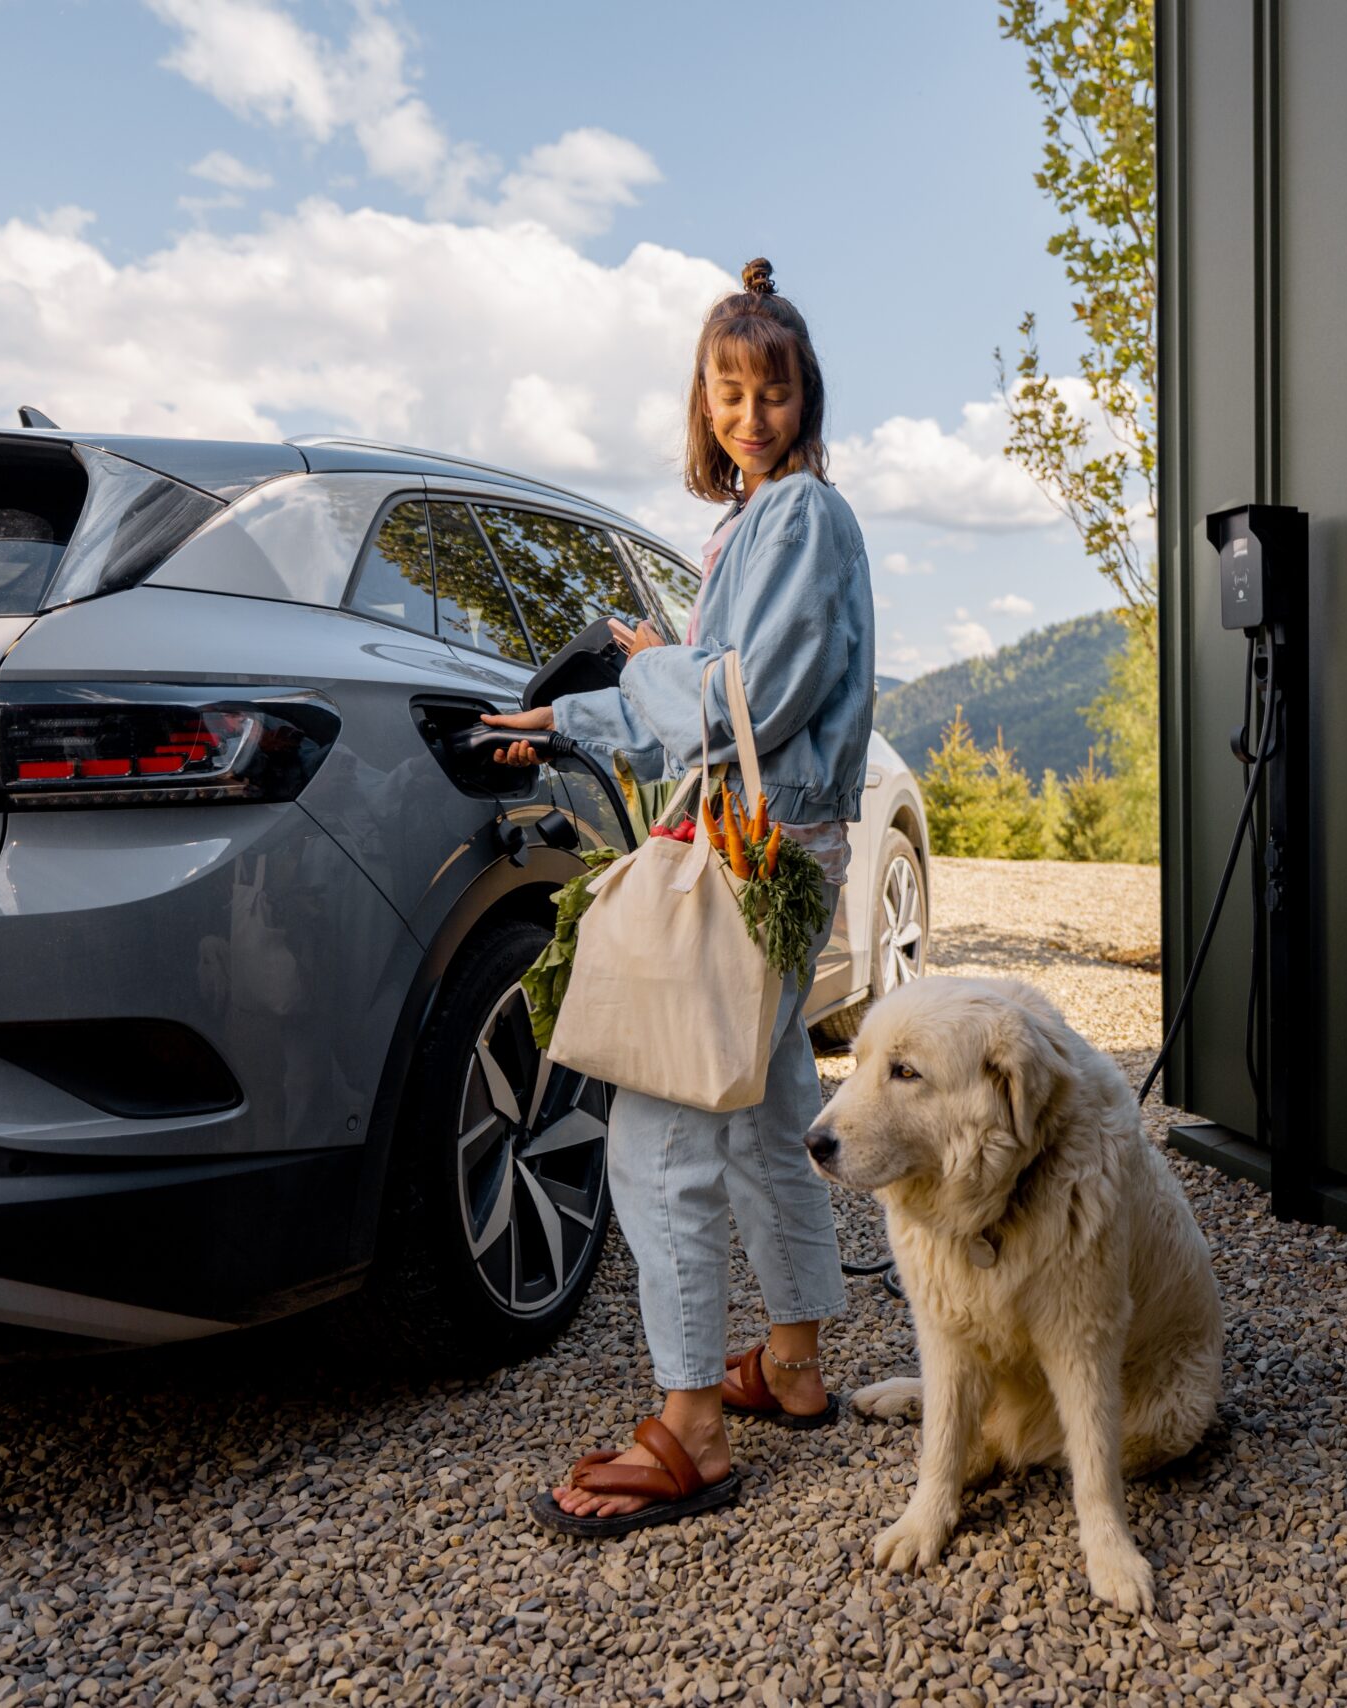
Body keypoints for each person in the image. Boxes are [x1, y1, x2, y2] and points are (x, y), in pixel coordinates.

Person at [479, 257, 876, 1535]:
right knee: (764, 1115)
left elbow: (734, 703)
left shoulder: (801, 520)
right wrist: (620, 686)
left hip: (753, 852)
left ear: (804, 396)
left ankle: (693, 1427)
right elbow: (716, 683)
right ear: (702, 406)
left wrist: (631, 680)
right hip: (786, 847)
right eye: (728, 393)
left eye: (772, 391)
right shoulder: (760, 520)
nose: (749, 415)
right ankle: (795, 1364)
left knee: (660, 1132)